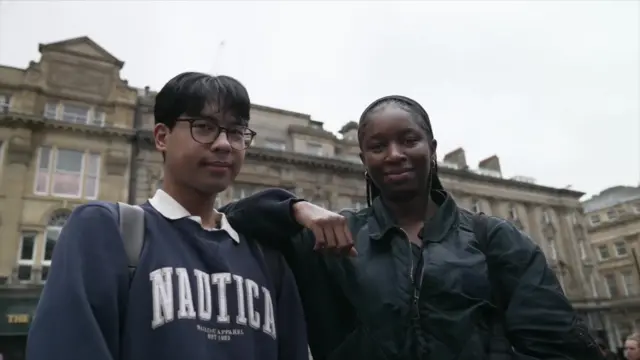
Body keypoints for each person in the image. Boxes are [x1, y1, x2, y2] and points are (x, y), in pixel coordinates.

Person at [251, 95, 605, 359]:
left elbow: (559, 348)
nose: (394, 154)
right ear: (363, 160)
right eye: (378, 146)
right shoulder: (333, 242)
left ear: (432, 149)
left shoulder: (494, 239)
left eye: (408, 140)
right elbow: (231, 220)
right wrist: (295, 207)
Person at [26, 72, 349, 360]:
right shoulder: (106, 230)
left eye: (236, 132)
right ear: (162, 137)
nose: (224, 144)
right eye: (204, 127)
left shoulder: (268, 258)